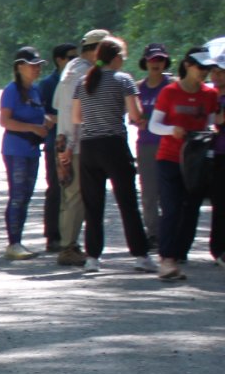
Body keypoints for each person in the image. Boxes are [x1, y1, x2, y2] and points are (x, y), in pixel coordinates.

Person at [65, 36, 152, 271]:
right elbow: (135, 115)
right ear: (115, 58)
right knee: (127, 202)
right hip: (113, 145)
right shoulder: (123, 80)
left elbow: (76, 118)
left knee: (93, 206)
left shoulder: (83, 82)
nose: (123, 61)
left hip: (89, 148)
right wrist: (137, 119)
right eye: (122, 57)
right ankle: (141, 256)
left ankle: (92, 258)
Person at [149, 48, 223, 281]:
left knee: (191, 208)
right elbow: (154, 125)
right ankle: (166, 259)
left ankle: (179, 253)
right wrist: (173, 129)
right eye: (201, 68)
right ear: (188, 66)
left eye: (208, 69)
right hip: (169, 156)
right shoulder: (170, 92)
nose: (205, 73)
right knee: (171, 208)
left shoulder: (209, 95)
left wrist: (211, 130)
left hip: (196, 160)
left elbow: (211, 124)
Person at [50, 30, 108, 265]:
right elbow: (81, 113)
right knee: (76, 196)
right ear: (97, 50)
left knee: (70, 195)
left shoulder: (69, 70)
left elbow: (56, 104)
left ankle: (69, 243)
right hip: (75, 143)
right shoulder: (85, 73)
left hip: (64, 139)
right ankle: (68, 247)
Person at [0, 47, 49, 258]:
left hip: (32, 150)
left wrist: (47, 124)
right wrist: (32, 128)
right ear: (20, 67)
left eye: (39, 65)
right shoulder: (11, 91)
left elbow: (38, 117)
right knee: (17, 195)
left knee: (26, 195)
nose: (37, 69)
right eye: (32, 65)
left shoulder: (35, 91)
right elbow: (4, 121)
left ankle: (19, 240)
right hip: (15, 149)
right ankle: (13, 243)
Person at [35, 43, 77, 254]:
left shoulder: (78, 80)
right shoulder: (47, 84)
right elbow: (41, 114)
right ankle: (53, 235)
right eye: (71, 57)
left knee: (74, 191)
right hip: (55, 143)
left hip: (76, 143)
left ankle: (70, 235)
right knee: (55, 189)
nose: (74, 60)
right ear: (59, 60)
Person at [133, 43, 174, 253]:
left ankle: (170, 232)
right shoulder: (138, 87)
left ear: (165, 62)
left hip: (171, 145)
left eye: (160, 59)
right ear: (145, 62)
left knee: (171, 193)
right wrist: (137, 120)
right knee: (149, 194)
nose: (156, 63)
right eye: (152, 59)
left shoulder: (172, 86)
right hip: (147, 145)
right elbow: (132, 116)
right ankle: (153, 234)